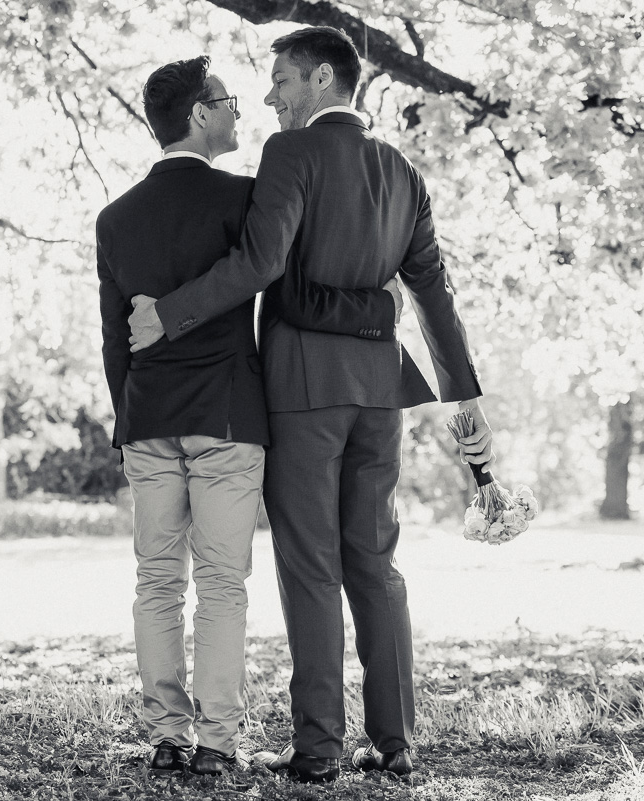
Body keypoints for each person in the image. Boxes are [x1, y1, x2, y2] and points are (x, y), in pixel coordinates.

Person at [126, 28, 495, 783]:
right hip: (381, 394)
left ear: (322, 79)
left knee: (309, 566)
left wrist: (171, 312)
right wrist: (466, 396)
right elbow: (433, 293)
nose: (270, 98)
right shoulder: (402, 171)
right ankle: (396, 742)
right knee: (376, 561)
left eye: (283, 81)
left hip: (301, 389)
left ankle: (321, 747)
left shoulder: (290, 156)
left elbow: (260, 262)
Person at [97, 55, 400, 777]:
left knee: (156, 583)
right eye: (228, 101)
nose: (241, 110)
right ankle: (216, 741)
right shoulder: (243, 199)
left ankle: (167, 734)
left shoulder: (114, 218)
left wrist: (128, 416)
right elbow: (276, 275)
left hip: (148, 416)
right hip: (227, 418)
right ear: (200, 116)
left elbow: (116, 338)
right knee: (224, 584)